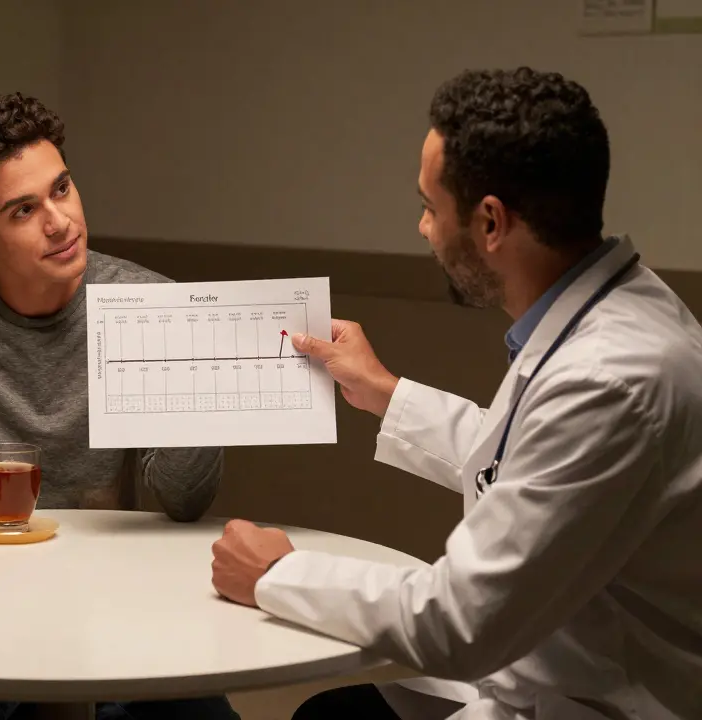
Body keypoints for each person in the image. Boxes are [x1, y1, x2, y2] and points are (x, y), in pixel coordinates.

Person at [211, 66, 702, 720]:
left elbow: (458, 622)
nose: (423, 230)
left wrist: (278, 574)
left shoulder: (612, 375)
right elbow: (539, 467)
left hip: (602, 698)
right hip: (560, 666)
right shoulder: (620, 311)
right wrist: (386, 392)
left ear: (491, 222)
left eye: (428, 207)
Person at [0, 92, 235, 719]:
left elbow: (185, 500)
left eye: (62, 190)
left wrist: (197, 401)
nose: (59, 221)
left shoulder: (151, 304)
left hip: (116, 591)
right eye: (24, 209)